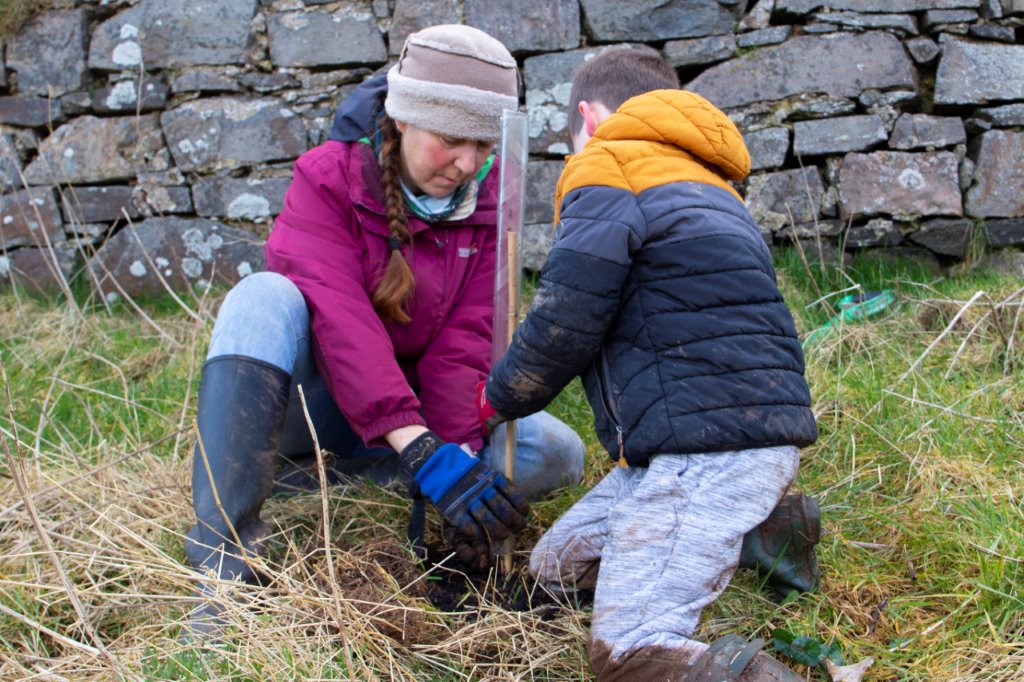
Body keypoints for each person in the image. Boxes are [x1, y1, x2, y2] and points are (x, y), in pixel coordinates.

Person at [184, 24, 585, 633]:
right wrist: (424, 450)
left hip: (410, 414)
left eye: (483, 145)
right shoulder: (326, 179)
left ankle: (333, 482)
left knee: (557, 452)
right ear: (402, 120)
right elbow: (343, 329)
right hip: (316, 406)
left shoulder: (487, 200)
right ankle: (223, 572)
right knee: (258, 299)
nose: (467, 164)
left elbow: (465, 344)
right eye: (452, 141)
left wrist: (453, 464)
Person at [477, 45, 819, 680]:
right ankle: (760, 529)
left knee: (630, 651)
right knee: (554, 570)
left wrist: (499, 398)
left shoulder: (607, 163)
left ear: (589, 117)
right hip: (698, 443)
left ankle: (733, 543)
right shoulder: (706, 183)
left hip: (705, 455)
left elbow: (564, 322)